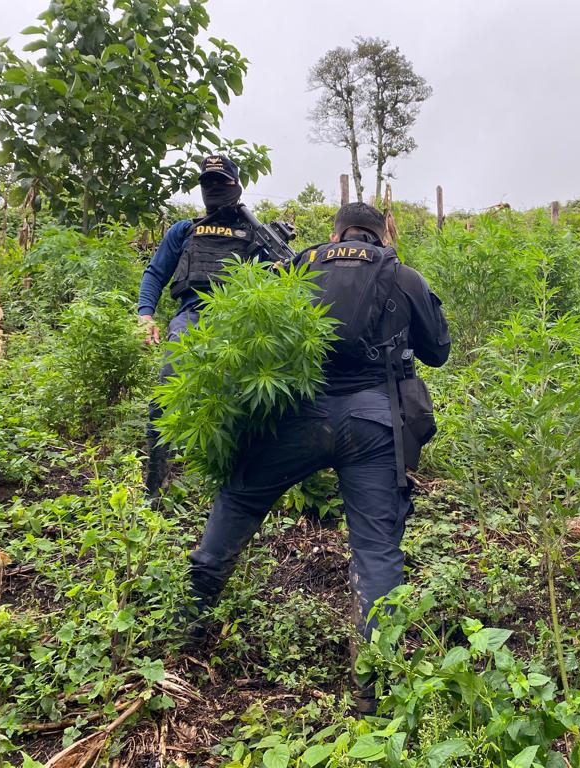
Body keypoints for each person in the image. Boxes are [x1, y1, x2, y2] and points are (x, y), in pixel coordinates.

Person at [184, 202, 450, 713]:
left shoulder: (296, 265)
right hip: (375, 424)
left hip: (297, 420)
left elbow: (241, 337)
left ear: (335, 232)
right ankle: (374, 688)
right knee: (376, 552)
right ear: (383, 231)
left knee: (239, 500)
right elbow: (438, 350)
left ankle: (188, 622)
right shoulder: (403, 274)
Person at [138, 154, 267, 499]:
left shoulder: (256, 233)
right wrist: (145, 314)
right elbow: (155, 273)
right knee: (167, 393)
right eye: (207, 183)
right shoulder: (185, 229)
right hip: (191, 317)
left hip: (237, 320)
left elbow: (280, 280)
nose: (212, 189)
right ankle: (155, 484)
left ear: (236, 186)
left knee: (241, 399)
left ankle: (237, 480)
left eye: (220, 183)